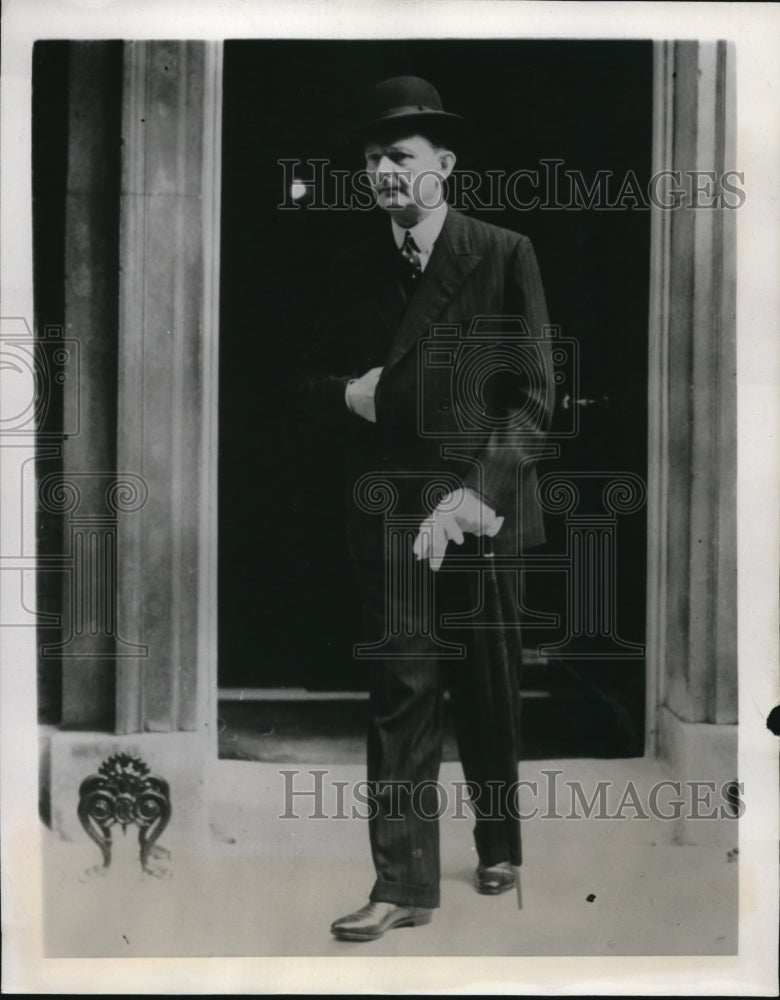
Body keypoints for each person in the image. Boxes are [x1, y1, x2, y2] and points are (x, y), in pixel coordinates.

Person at [291, 75, 555, 941]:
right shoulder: (349, 267)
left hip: (486, 505)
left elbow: (535, 398)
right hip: (393, 512)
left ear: (443, 163)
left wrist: (480, 493)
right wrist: (348, 398)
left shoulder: (502, 251)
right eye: (370, 161)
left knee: (488, 684)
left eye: (398, 157)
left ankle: (498, 840)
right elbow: (305, 385)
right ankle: (401, 883)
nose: (382, 173)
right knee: (400, 688)